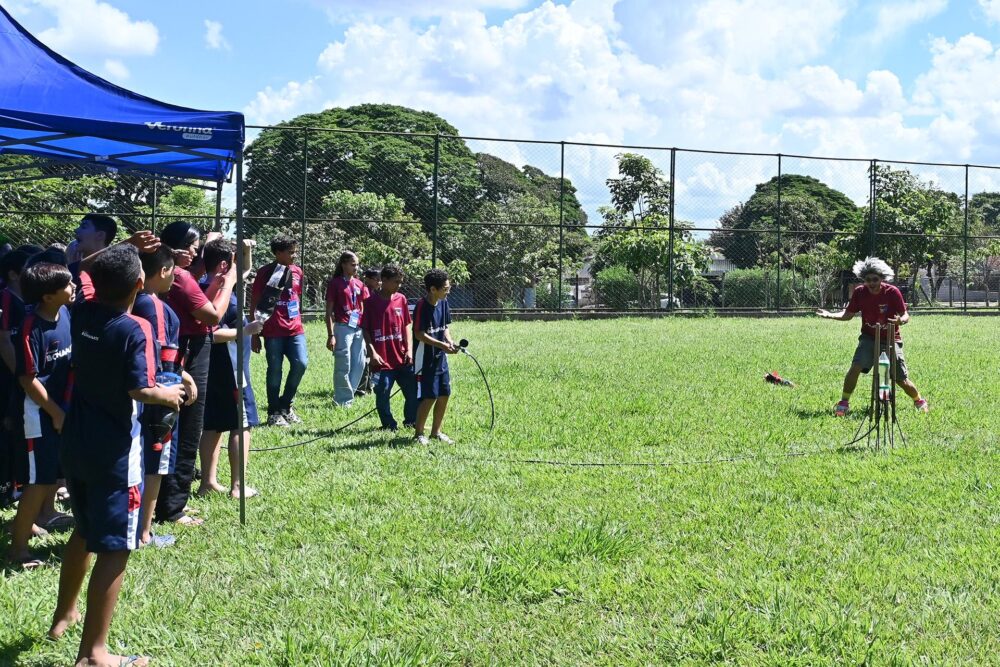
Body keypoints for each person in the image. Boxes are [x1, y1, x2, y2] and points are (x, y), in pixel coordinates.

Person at [48, 244, 185, 667]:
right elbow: (141, 389)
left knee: (84, 532)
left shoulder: (82, 312)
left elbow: (77, 267)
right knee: (115, 548)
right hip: (115, 452)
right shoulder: (135, 327)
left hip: (76, 441)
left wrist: (113, 250)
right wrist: (172, 392)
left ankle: (63, 615)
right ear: (140, 284)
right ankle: (94, 655)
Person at [156, 222, 235, 526]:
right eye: (191, 246)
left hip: (188, 346)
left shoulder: (176, 276)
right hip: (189, 348)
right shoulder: (179, 278)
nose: (195, 252)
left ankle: (175, 500)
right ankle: (171, 507)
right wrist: (228, 283)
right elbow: (212, 315)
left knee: (188, 424)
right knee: (188, 426)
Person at [7, 262, 74, 568]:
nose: (73, 288)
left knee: (48, 478)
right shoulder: (30, 327)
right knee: (38, 481)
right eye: (67, 284)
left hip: (60, 412)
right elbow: (27, 379)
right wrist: (55, 412)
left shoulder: (66, 315)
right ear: (49, 296)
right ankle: (18, 550)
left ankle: (30, 524)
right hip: (37, 414)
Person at [132, 248, 198, 547]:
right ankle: (144, 532)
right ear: (163, 271)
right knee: (155, 462)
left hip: (148, 391)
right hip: (160, 395)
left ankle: (139, 526)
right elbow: (160, 354)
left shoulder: (137, 301)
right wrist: (176, 381)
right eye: (173, 272)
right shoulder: (153, 305)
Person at [817, 256, 929, 417]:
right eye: (868, 280)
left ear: (882, 278)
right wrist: (830, 315)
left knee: (900, 379)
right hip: (868, 337)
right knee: (855, 366)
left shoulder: (892, 292)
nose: (871, 283)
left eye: (875, 279)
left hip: (891, 337)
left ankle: (919, 400)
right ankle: (844, 402)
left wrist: (900, 321)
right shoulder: (860, 292)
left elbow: (905, 315)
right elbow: (848, 315)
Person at [198, 238, 262, 499]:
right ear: (224, 265)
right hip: (230, 369)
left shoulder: (202, 284)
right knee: (241, 424)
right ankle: (238, 486)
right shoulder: (218, 292)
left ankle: (207, 482)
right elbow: (210, 333)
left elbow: (243, 270)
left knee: (212, 425)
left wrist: (246, 250)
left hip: (210, 368)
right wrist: (245, 330)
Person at [250, 235, 306, 427]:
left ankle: (286, 405)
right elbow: (255, 302)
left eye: (294, 251)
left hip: (295, 328)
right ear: (278, 253)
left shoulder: (298, 271)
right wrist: (255, 334)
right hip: (273, 330)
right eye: (290, 252)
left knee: (301, 364)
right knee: (275, 369)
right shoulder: (265, 272)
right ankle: (274, 412)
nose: (294, 255)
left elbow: (296, 298)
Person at [361, 266, 417, 431]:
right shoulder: (370, 302)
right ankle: (388, 424)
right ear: (383, 280)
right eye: (396, 282)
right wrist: (372, 353)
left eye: (400, 282)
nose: (399, 285)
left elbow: (407, 325)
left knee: (412, 391)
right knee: (382, 392)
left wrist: (409, 349)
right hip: (382, 359)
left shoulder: (401, 299)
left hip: (402, 357)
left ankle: (411, 421)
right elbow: (365, 329)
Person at [412, 268, 459, 446]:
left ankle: (436, 432)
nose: (448, 290)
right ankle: (418, 434)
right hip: (425, 359)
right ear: (433, 289)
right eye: (445, 288)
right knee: (429, 396)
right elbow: (419, 334)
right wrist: (442, 345)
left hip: (440, 357)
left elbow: (445, 327)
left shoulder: (444, 303)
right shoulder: (421, 307)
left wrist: (450, 342)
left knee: (444, 393)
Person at [325, 251, 368, 408]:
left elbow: (363, 307)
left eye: (357, 264)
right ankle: (343, 400)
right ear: (343, 264)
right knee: (344, 363)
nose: (356, 267)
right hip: (343, 327)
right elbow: (329, 311)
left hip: (358, 328)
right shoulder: (335, 283)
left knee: (360, 363)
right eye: (353, 264)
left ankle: (348, 394)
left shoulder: (360, 284)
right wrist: (331, 334)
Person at [356, 268, 382, 397]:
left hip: (374, 328)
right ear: (368, 279)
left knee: (371, 358)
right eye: (377, 280)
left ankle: (369, 385)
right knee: (365, 358)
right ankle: (362, 388)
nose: (379, 282)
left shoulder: (376, 293)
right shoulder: (364, 291)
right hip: (365, 328)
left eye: (381, 280)